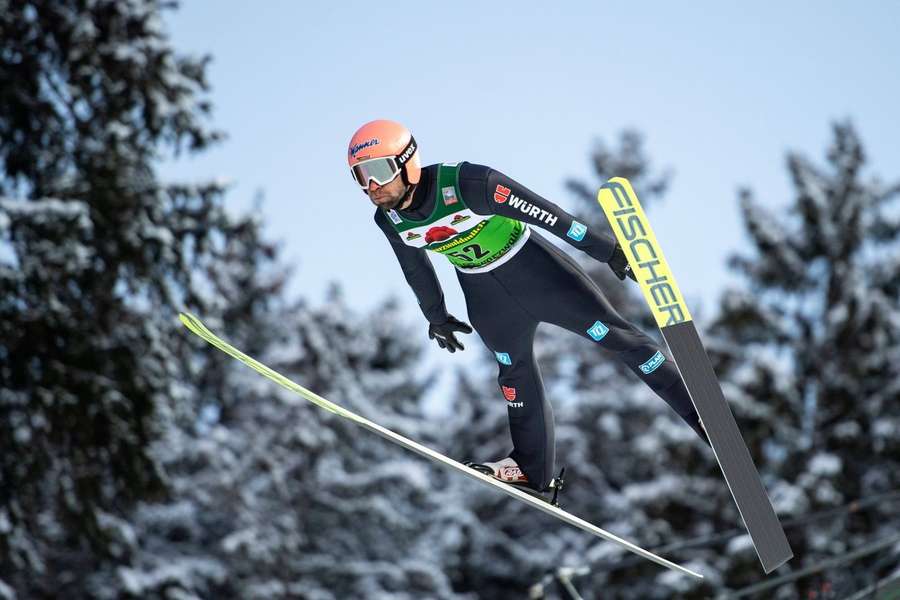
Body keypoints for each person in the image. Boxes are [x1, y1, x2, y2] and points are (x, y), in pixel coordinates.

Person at [348, 119, 708, 495]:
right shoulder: (388, 218)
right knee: (513, 375)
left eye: (378, 171)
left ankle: (697, 409)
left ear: (407, 162)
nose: (371, 186)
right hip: (485, 296)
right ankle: (530, 469)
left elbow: (547, 214)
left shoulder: (469, 184)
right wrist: (436, 317)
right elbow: (415, 268)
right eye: (360, 176)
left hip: (539, 274)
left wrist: (606, 250)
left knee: (618, 338)